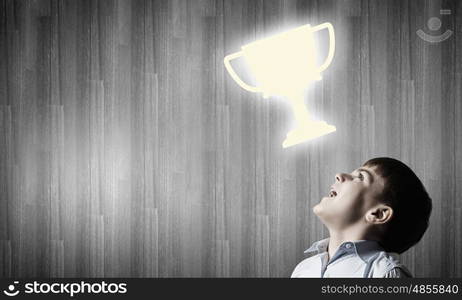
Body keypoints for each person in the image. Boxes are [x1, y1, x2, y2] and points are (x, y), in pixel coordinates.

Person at [291, 157, 432, 278]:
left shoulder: (384, 273)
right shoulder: (303, 269)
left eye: (360, 177)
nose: (339, 175)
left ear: (378, 214)